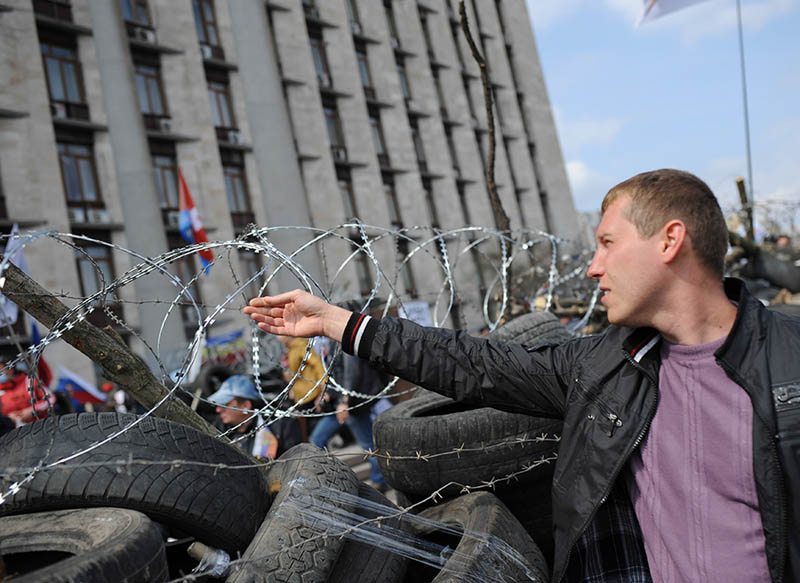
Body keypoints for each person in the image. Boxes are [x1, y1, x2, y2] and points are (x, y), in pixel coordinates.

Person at [243, 169, 799, 583]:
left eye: (608, 243)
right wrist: (339, 323)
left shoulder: (790, 359)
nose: (593, 265)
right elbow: (476, 364)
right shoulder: (606, 369)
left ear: (670, 241)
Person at [310, 352, 389, 492]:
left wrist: (344, 401)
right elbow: (336, 372)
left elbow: (351, 374)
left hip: (351, 406)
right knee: (316, 440)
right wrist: (327, 393)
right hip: (338, 404)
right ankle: (326, 481)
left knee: (369, 446)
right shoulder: (329, 343)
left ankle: (380, 481)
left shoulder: (341, 343)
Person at [210, 374, 301, 460]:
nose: (218, 410)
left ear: (246, 405)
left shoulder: (280, 427)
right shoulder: (219, 425)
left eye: (225, 405)